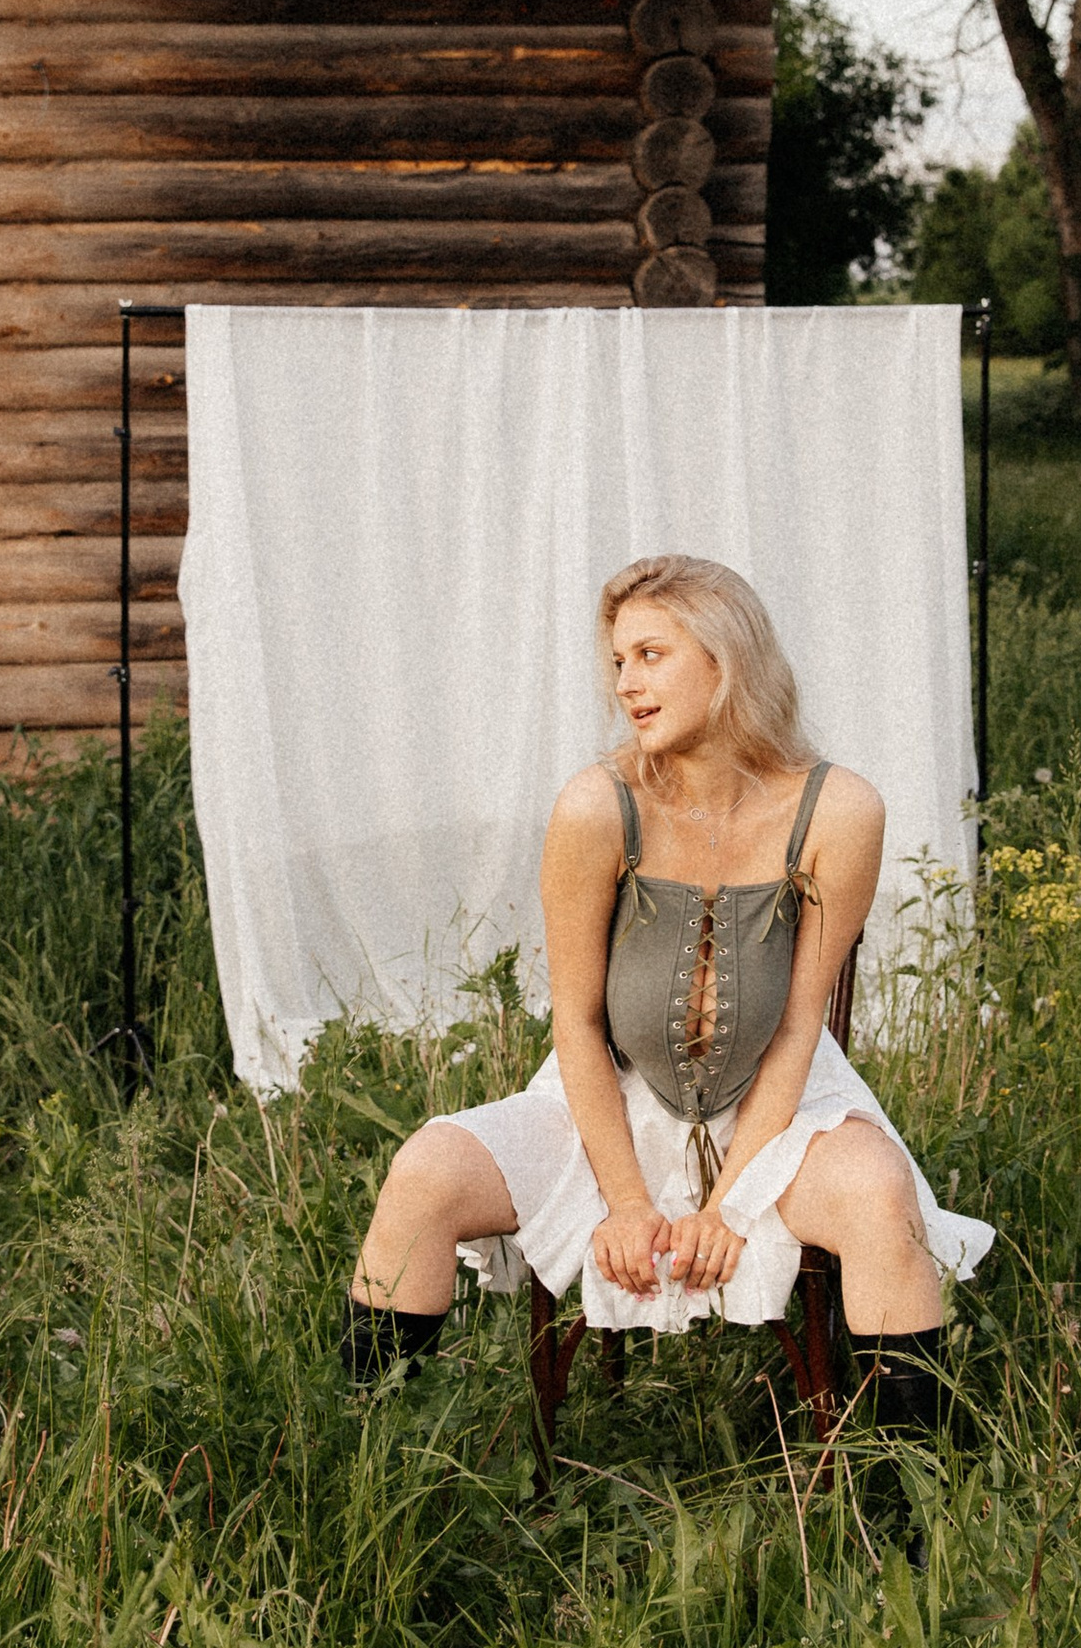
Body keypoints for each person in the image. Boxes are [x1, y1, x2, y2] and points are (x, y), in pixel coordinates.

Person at [343, 553, 993, 1437]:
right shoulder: (597, 807)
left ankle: (926, 1499)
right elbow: (573, 1020)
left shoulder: (839, 811)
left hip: (778, 1103)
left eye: (651, 655)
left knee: (881, 1191)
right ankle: (357, 1447)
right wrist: (625, 1202)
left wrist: (729, 1206)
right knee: (427, 1170)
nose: (626, 684)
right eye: (617, 662)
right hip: (608, 1100)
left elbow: (802, 1024)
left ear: (725, 662)